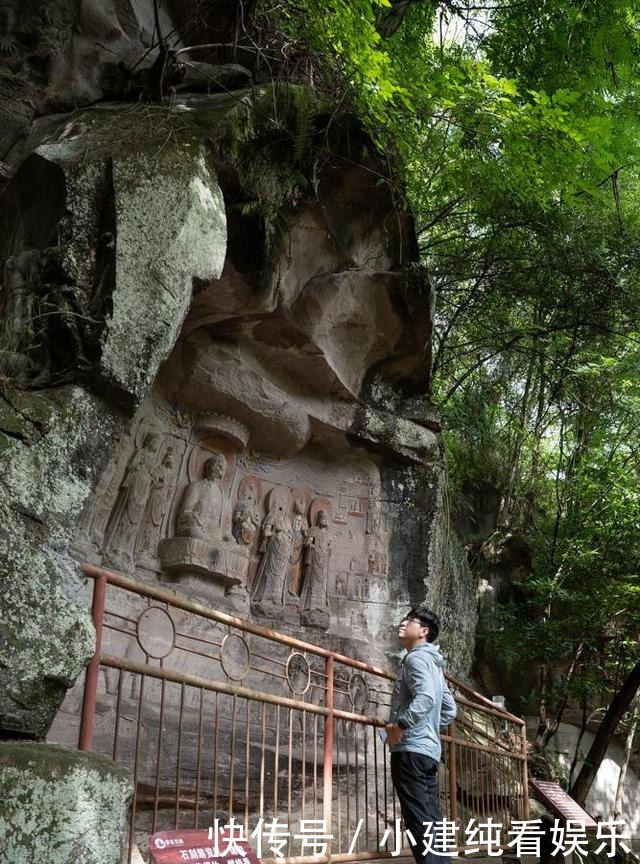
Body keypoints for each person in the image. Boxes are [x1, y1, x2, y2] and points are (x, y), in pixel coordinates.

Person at [385, 607, 457, 864]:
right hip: (428, 752)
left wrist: (400, 726)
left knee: (418, 821)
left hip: (410, 750)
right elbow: (449, 710)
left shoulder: (415, 659)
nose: (402, 623)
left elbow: (426, 697)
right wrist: (427, 727)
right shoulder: (435, 665)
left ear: (424, 632)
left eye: (410, 621)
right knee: (431, 819)